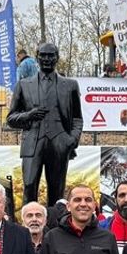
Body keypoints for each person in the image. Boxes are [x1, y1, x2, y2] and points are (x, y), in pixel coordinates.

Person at [7, 43, 84, 206]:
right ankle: (29, 222)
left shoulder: (70, 85)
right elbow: (11, 118)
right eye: (43, 55)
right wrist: (29, 115)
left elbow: (77, 118)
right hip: (32, 143)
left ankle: (55, 222)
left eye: (51, 55)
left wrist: (72, 140)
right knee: (29, 187)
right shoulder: (23, 85)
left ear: (57, 58)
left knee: (57, 192)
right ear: (37, 57)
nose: (47, 59)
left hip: (60, 142)